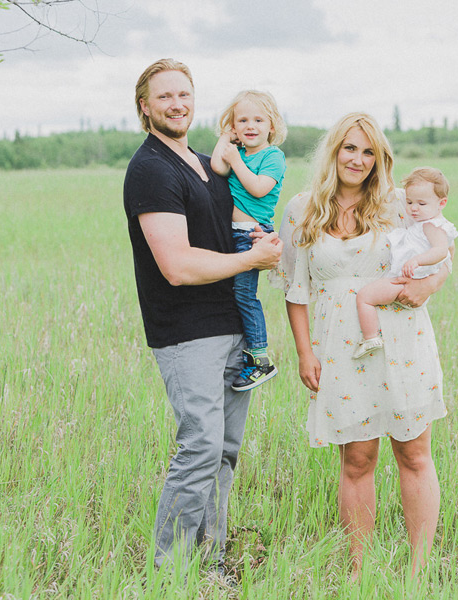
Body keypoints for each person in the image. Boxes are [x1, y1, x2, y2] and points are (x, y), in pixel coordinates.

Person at [270, 112, 453, 578]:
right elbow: (296, 289)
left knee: (413, 452)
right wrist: (304, 351)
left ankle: (419, 569)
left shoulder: (397, 204)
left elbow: (442, 252)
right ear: (334, 150)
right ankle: (360, 569)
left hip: (401, 339)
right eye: (350, 148)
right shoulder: (301, 209)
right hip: (340, 349)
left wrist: (429, 287)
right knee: (357, 458)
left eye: (369, 151)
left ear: (381, 158)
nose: (358, 159)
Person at [122, 58, 281, 574]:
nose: (177, 104)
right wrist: (251, 260)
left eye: (184, 94)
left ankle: (211, 562)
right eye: (164, 96)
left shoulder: (206, 160)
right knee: (200, 446)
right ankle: (169, 571)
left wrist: (258, 238)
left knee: (226, 450)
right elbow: (177, 265)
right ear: (145, 106)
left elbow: (233, 223)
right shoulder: (150, 169)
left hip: (231, 323)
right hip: (186, 332)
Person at [210, 90, 288, 391]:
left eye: (258, 119)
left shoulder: (273, 157)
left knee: (245, 295)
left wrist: (235, 159)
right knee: (230, 293)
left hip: (253, 236)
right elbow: (218, 166)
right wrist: (225, 141)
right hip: (231, 235)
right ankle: (240, 349)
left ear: (272, 125)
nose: (250, 125)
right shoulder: (237, 154)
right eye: (242, 120)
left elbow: (257, 188)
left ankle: (260, 359)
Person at [353, 167, 458, 359]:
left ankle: (371, 337)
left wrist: (417, 261)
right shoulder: (424, 223)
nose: (413, 208)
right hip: (407, 279)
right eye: (409, 202)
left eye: (421, 203)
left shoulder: (432, 226)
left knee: (365, 296)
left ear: (441, 203)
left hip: (407, 281)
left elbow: (442, 251)